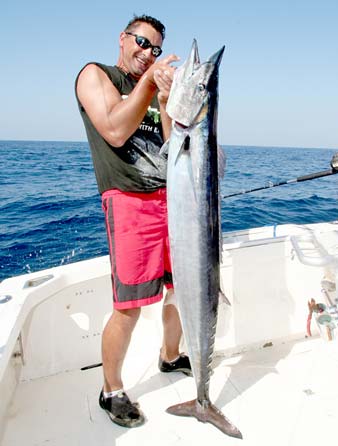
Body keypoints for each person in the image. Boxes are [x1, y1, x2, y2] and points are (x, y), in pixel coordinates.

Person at [75, 14, 191, 428]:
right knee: (129, 307)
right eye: (142, 43)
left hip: (173, 201)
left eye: (155, 49)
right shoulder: (96, 75)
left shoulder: (152, 87)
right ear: (123, 39)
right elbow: (116, 131)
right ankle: (111, 391)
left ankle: (171, 355)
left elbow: (172, 146)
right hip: (129, 202)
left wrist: (165, 103)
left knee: (181, 290)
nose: (148, 54)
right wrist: (148, 84)